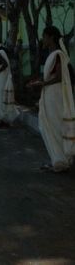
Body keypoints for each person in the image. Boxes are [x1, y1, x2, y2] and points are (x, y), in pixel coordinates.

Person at [30, 26, 75, 172]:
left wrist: (41, 83)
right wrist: (41, 83)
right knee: (51, 125)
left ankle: (61, 161)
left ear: (51, 37)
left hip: (55, 95)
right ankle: (58, 160)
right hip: (50, 93)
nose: (43, 39)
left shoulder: (57, 54)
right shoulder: (53, 54)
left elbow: (59, 77)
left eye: (44, 36)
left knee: (55, 126)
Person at [0, 45, 19, 127]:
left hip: (1, 78)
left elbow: (5, 64)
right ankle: (2, 119)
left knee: (1, 97)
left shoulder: (0, 52)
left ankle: (5, 119)